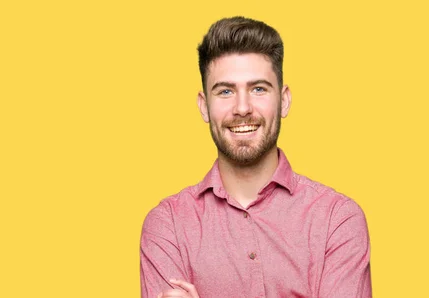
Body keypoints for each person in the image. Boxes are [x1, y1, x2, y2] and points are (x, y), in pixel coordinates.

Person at [140, 16, 371, 298]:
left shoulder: (338, 220)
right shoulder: (168, 226)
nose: (242, 108)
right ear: (204, 106)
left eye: (258, 89)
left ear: (283, 100)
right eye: (225, 91)